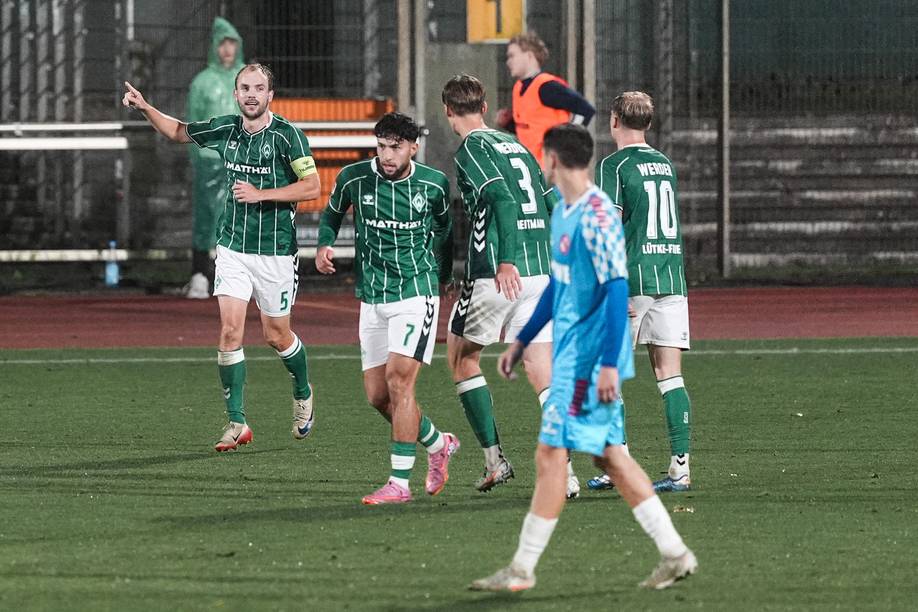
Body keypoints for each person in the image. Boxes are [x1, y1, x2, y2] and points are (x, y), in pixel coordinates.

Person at [470, 124, 697, 593]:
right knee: (608, 459)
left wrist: (612, 364)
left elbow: (617, 290)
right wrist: (522, 340)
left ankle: (522, 568)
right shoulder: (568, 214)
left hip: (591, 361)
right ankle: (675, 553)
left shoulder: (595, 214)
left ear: (552, 159)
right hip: (576, 354)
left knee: (553, 455)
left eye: (543, 158)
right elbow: (558, 287)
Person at [122, 64, 320, 452]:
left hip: (276, 252)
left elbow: (312, 186)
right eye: (244, 87)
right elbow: (179, 131)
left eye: (258, 88)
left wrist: (262, 194)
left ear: (270, 96)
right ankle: (237, 421)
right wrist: (146, 107)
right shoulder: (225, 128)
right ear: (235, 93)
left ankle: (302, 390)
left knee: (275, 336)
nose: (251, 94)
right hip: (231, 248)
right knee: (230, 331)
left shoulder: (288, 137)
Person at [442, 74, 580, 498]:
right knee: (542, 370)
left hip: (499, 272)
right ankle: (566, 474)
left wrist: (504, 260)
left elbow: (501, 199)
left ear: (448, 112)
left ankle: (494, 459)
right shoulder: (514, 144)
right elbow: (549, 195)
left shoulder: (471, 150)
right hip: (542, 269)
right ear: (484, 107)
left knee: (462, 358)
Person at [315, 112, 460, 505]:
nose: (387, 155)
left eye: (395, 147)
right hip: (372, 296)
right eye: (381, 146)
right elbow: (330, 214)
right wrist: (324, 244)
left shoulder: (432, 184)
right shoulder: (354, 177)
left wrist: (444, 277)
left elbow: (446, 235)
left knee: (400, 382)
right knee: (378, 396)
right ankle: (438, 442)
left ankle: (399, 482)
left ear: (414, 147)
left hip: (416, 292)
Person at [589, 91, 693, 493]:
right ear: (647, 124)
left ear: (614, 120)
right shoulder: (665, 164)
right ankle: (680, 469)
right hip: (671, 278)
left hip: (631, 280)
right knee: (670, 376)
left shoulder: (613, 165)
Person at [185, 17, 244, 299]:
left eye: (232, 43)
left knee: (241, 218)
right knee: (207, 217)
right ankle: (200, 274)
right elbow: (192, 124)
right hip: (209, 160)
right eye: (222, 43)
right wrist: (199, 156)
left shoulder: (246, 79)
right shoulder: (202, 82)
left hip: (243, 160)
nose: (227, 50)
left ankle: (236, 277)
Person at [496, 32, 595, 163]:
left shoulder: (547, 86)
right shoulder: (519, 87)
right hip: (532, 166)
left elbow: (585, 110)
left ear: (529, 56)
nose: (508, 62)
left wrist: (567, 143)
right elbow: (530, 129)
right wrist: (508, 124)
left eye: (512, 56)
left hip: (551, 168)